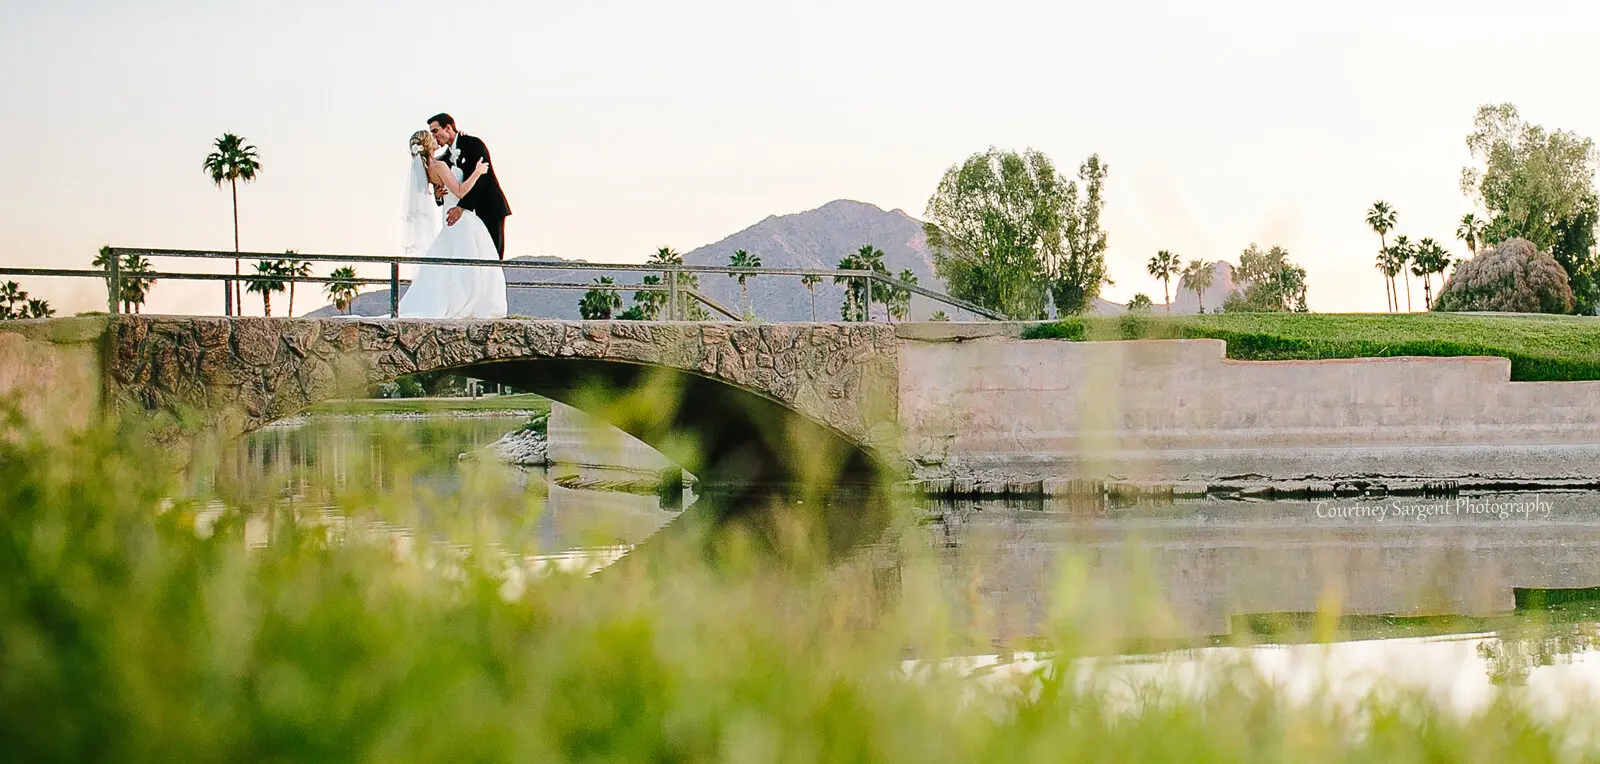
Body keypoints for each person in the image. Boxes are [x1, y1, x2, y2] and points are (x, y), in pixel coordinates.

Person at [397, 129, 507, 319]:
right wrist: (478, 172)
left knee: (454, 263)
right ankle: (469, 302)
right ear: (427, 145)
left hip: (448, 220)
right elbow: (460, 191)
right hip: (460, 218)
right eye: (431, 137)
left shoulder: (427, 170)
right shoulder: (439, 165)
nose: (435, 138)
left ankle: (459, 300)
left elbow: (440, 193)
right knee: (473, 262)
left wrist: (439, 195)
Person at [428, 113, 512, 258]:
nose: (434, 136)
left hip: (488, 207)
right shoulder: (444, 158)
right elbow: (440, 182)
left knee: (491, 255)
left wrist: (461, 207)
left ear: (448, 128)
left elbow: (482, 179)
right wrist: (438, 196)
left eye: (435, 131)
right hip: (464, 217)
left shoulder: (473, 144)